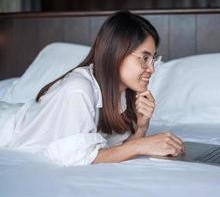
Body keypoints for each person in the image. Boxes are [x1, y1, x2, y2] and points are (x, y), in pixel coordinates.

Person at [0, 10, 184, 166]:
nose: (151, 69)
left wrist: (142, 128)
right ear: (117, 53)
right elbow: (78, 156)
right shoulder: (79, 88)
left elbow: (117, 149)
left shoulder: (124, 93)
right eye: (144, 58)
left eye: (153, 59)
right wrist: (141, 145)